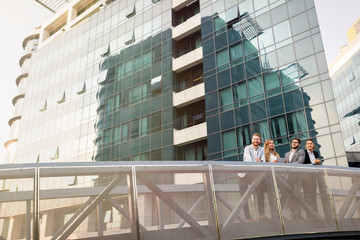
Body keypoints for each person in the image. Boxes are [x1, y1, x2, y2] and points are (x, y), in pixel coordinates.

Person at [239, 133, 267, 221]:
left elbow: (264, 161)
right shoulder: (247, 148)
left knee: (260, 190)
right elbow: (249, 161)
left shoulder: (262, 149)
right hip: (243, 174)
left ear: (260, 141)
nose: (256, 141)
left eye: (257, 139)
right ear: (252, 140)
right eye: (254, 139)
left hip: (255, 174)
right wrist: (258, 161)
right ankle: (248, 217)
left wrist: (260, 161)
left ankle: (261, 215)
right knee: (244, 196)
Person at [284, 138, 305, 219]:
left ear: (299, 144)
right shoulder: (286, 154)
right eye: (293, 142)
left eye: (296, 142)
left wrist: (289, 165)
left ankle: (298, 213)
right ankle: (293, 214)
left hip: (296, 177)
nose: (294, 143)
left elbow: (300, 162)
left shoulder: (301, 151)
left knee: (297, 195)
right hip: (288, 177)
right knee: (290, 196)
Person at [303, 139, 321, 218]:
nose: (309, 145)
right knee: (307, 195)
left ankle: (315, 214)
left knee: (313, 194)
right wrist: (314, 163)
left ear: (313, 145)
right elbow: (303, 164)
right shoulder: (303, 153)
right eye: (308, 144)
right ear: (306, 145)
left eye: (311, 143)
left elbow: (317, 164)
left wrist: (318, 162)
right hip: (306, 176)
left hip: (314, 176)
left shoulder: (316, 153)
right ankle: (309, 215)